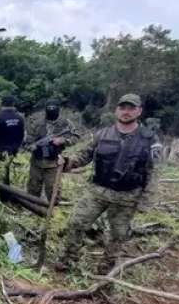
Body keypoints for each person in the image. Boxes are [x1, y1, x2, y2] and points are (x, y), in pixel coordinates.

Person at [54, 93, 159, 273]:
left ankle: (106, 267)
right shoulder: (103, 134)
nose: (126, 112)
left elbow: (153, 172)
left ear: (139, 111)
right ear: (116, 110)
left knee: (118, 235)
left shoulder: (149, 139)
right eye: (123, 107)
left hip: (127, 196)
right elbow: (85, 154)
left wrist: (145, 201)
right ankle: (69, 258)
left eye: (131, 108)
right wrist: (68, 162)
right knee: (76, 223)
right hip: (98, 191)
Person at [25, 99, 78, 203]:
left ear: (59, 109)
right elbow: (28, 142)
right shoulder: (37, 123)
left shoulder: (66, 123)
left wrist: (63, 140)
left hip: (53, 163)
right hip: (37, 161)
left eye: (54, 108)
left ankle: (53, 209)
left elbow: (76, 136)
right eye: (49, 109)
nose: (51, 111)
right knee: (33, 189)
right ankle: (32, 208)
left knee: (53, 190)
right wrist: (33, 147)